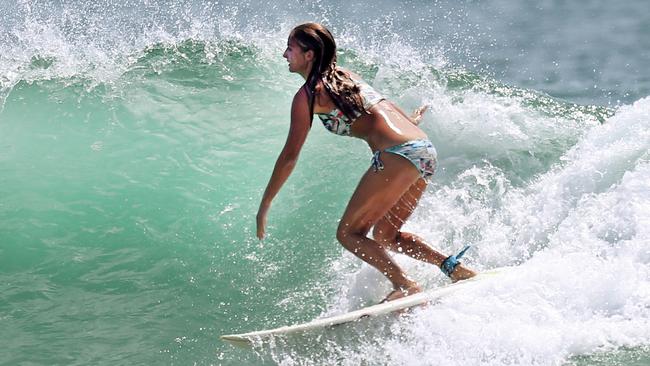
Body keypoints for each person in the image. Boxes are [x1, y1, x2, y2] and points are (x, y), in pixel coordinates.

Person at [256, 22, 476, 303]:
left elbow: (289, 155)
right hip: (423, 150)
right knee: (386, 235)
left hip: (398, 154)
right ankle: (452, 267)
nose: (284, 55)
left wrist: (265, 205)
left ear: (309, 54)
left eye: (290, 48)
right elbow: (385, 106)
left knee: (348, 233)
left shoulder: (308, 95)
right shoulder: (346, 76)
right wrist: (411, 121)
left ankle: (406, 285)